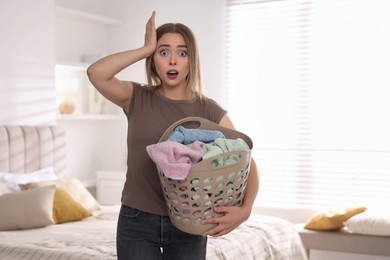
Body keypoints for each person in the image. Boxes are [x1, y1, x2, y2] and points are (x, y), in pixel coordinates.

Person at [87, 11, 259, 260]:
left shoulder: (208, 109)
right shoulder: (136, 97)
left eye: (182, 52)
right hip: (137, 221)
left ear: (192, 60)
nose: (172, 61)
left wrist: (246, 210)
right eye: (163, 51)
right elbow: (96, 73)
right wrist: (145, 47)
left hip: (191, 222)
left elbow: (245, 160)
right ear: (153, 59)